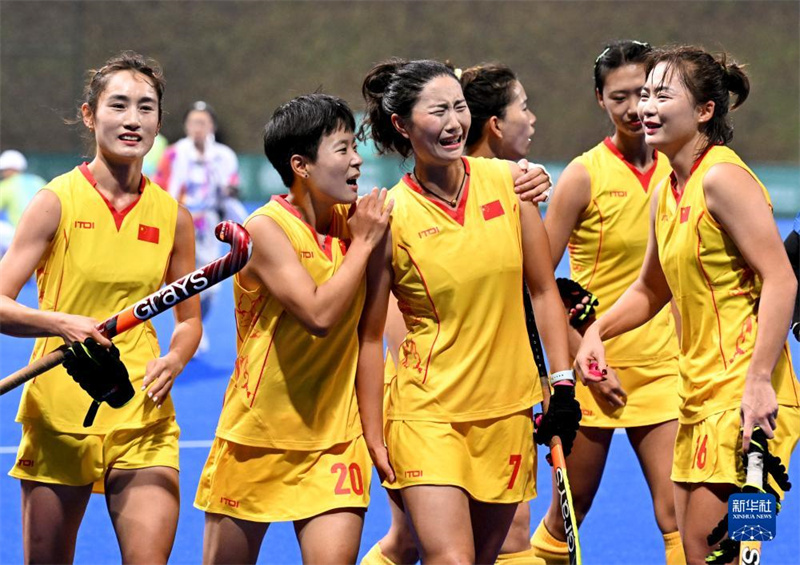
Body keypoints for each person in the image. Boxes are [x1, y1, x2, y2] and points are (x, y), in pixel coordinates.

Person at [575, 45, 800, 563]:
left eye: (662, 95)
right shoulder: (667, 191)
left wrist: (759, 382)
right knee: (698, 549)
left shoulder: (723, 178)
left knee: (725, 550)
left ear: (704, 111)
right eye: (645, 95)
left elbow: (781, 279)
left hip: (749, 401)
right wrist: (595, 333)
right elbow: (649, 290)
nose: (646, 107)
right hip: (698, 395)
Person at [357, 58, 579, 564]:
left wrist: (562, 385)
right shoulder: (389, 215)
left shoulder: (511, 182)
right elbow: (369, 336)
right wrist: (372, 433)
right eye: (438, 111)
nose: (454, 122)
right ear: (402, 125)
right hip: (426, 412)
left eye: (459, 107)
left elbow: (543, 290)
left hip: (506, 411)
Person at [0, 51, 201, 564]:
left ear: (159, 122)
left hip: (142, 411)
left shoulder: (173, 217)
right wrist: (59, 323)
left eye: (146, 108)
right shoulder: (55, 202)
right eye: (118, 105)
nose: (133, 119)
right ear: (89, 115)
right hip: (59, 412)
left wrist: (176, 357)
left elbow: (189, 320)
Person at [194, 93, 392, 564]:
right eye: (342, 149)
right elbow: (318, 316)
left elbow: (369, 336)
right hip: (256, 436)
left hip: (335, 441)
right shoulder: (266, 229)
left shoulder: (358, 224)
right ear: (301, 165)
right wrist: (363, 246)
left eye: (355, 147)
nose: (357, 160)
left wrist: (517, 177)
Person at [533, 41, 685, 564]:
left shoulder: (681, 170)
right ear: (600, 99)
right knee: (568, 514)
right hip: (592, 367)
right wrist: (584, 359)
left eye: (645, 93)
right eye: (620, 96)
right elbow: (540, 283)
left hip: (665, 368)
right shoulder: (584, 175)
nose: (635, 107)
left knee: (676, 517)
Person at [154, 100, 246, 340]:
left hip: (209, 226)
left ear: (212, 126)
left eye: (203, 123)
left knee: (211, 286)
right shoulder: (173, 154)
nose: (198, 128)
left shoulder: (224, 156)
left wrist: (228, 190)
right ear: (186, 126)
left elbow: (234, 187)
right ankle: (186, 328)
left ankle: (197, 322)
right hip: (179, 223)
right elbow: (159, 186)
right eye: (193, 122)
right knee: (182, 280)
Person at [0, 149, 46, 256]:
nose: (2, 173)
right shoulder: (38, 180)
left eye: (4, 170)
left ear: (10, 169)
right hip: (44, 233)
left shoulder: (7, 185)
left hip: (19, 236)